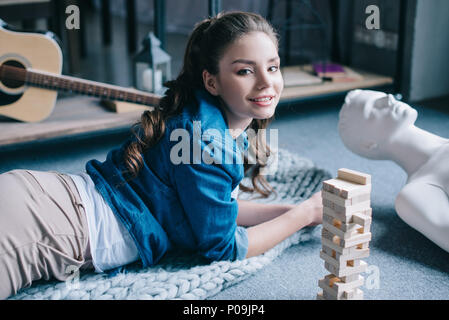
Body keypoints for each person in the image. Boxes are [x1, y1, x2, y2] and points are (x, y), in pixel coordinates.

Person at [0, 11, 323, 300]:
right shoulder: (206, 142)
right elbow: (224, 247)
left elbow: (213, 208)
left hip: (42, 199)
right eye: (245, 71)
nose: (267, 82)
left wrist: (288, 210)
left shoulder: (209, 122)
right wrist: (303, 215)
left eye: (273, 67)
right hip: (48, 228)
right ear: (211, 81)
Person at [338, 89, 449, 252]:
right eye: (374, 107)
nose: (389, 99)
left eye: (383, 96)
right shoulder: (416, 193)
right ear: (368, 144)